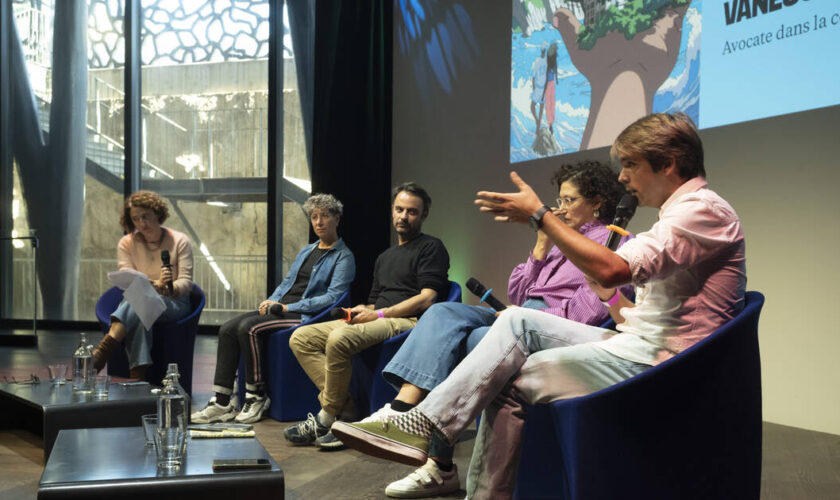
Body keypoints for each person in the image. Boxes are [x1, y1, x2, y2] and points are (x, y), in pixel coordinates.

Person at [332, 113, 747, 499]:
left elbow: (613, 269)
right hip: (642, 342)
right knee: (514, 322)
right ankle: (428, 426)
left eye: (631, 165)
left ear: (669, 163)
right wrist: (592, 282)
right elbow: (619, 297)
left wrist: (540, 218)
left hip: (669, 362)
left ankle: (428, 429)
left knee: (509, 369)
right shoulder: (678, 216)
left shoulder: (702, 211)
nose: (623, 177)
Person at [366, 161, 631, 498]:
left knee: (473, 341)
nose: (559, 209)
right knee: (442, 313)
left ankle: (438, 463)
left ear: (596, 202)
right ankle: (403, 407)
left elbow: (588, 311)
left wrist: (536, 316)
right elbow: (517, 293)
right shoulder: (556, 240)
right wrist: (539, 247)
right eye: (558, 200)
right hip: (516, 316)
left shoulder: (611, 242)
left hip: (547, 328)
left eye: (568, 200)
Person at [284, 182, 450, 449]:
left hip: (408, 321)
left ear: (424, 215)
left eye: (411, 211)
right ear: (392, 210)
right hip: (382, 317)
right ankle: (346, 408)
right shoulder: (385, 257)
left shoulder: (431, 247)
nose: (403, 216)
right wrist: (366, 310)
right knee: (301, 337)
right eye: (399, 209)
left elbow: (427, 298)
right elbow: (375, 303)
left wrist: (380, 314)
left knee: (339, 337)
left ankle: (326, 418)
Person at [190, 194, 355, 424]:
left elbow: (332, 298)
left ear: (337, 219)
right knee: (227, 328)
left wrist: (289, 305)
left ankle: (256, 396)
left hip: (307, 315)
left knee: (249, 328)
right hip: (284, 308)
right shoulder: (307, 250)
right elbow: (288, 282)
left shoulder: (344, 257)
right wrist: (272, 301)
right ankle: (221, 402)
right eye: (314, 217)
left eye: (325, 216)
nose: (318, 222)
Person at [92, 191, 195, 380]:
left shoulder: (180, 240)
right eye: (136, 219)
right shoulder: (126, 243)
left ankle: (105, 348)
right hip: (142, 300)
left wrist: (168, 288)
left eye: (145, 216)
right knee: (142, 310)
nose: (141, 223)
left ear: (157, 213)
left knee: (140, 300)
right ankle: (137, 378)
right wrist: (155, 285)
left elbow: (186, 282)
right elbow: (127, 278)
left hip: (175, 303)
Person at [530, 41, 548, 134]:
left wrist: (533, 90)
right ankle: (538, 125)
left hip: (538, 87)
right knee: (541, 107)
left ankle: (537, 122)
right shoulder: (547, 61)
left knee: (532, 106)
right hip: (544, 88)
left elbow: (533, 77)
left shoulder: (537, 61)